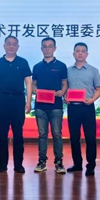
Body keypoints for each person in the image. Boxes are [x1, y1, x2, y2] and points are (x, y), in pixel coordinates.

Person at [0, 36, 32, 173]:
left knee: (18, 134)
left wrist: (28, 101)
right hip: (3, 99)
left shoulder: (23, 62)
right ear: (4, 46)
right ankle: (2, 164)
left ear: (18, 47)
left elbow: (28, 82)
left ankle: (18, 164)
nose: (11, 46)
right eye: (9, 44)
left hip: (18, 100)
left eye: (14, 44)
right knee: (2, 134)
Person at [32, 37, 68, 174]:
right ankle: (42, 162)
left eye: (50, 46)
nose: (47, 49)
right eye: (45, 46)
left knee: (57, 134)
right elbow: (33, 84)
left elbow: (64, 84)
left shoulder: (61, 66)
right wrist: (35, 90)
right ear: (41, 49)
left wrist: (62, 92)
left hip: (56, 106)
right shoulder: (37, 67)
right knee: (42, 135)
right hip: (40, 106)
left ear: (54, 48)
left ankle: (59, 162)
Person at [65, 42, 100, 176]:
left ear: (87, 54)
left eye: (83, 51)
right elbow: (64, 88)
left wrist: (92, 100)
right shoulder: (67, 71)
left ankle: (91, 165)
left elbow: (98, 89)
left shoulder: (93, 70)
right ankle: (77, 164)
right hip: (73, 108)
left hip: (87, 107)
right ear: (73, 53)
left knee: (90, 138)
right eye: (77, 51)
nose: (80, 53)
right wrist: (65, 97)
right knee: (74, 137)